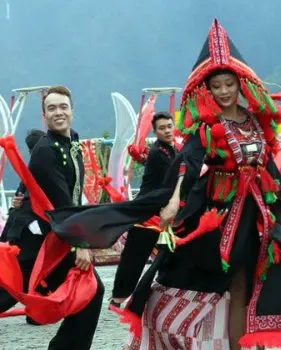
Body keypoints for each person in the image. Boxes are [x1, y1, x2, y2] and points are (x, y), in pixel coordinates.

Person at [46, 20, 281, 349]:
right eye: (217, 86)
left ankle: (244, 343)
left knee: (248, 285)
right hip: (217, 217)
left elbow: (269, 170)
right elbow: (188, 163)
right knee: (189, 279)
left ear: (241, 85)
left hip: (256, 220)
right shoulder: (208, 127)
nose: (223, 91)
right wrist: (173, 200)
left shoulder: (256, 121)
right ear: (207, 90)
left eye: (228, 84)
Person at [3, 86, 105, 349]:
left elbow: (73, 198)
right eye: (52, 108)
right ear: (44, 116)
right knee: (6, 293)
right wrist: (80, 245)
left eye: (63, 107)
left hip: (55, 234)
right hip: (35, 240)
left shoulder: (72, 144)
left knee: (91, 290)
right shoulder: (46, 151)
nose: (58, 112)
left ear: (71, 110)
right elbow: (62, 203)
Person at [109, 112, 178, 309]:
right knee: (134, 256)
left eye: (169, 126)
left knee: (168, 254)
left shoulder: (171, 150)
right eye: (162, 128)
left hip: (160, 211)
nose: (167, 130)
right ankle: (119, 297)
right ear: (155, 132)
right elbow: (173, 179)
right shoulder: (158, 153)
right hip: (148, 212)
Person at [0, 129, 48, 326]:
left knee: (37, 274)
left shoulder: (31, 170)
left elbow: (23, 200)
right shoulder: (39, 170)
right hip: (30, 233)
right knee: (25, 275)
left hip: (27, 232)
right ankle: (38, 311)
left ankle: (38, 311)